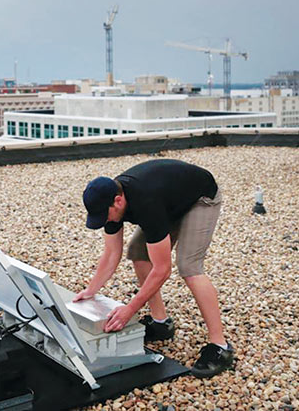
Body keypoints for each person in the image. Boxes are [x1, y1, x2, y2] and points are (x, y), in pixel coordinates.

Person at [75, 158, 234, 378]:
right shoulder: (110, 202)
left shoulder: (145, 201)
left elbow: (162, 269)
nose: (104, 221)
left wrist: (130, 309)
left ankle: (220, 347)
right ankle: (161, 323)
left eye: (104, 215)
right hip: (169, 200)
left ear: (118, 201)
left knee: (189, 266)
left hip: (200, 198)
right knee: (138, 253)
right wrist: (90, 290)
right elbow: (112, 254)